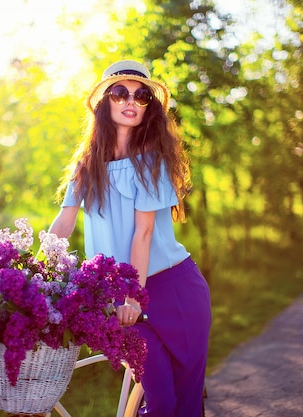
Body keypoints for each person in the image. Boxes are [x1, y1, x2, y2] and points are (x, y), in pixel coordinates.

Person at [49, 60, 211, 417]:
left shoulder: (152, 163)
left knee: (185, 403)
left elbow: (145, 232)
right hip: (117, 300)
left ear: (149, 107)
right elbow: (64, 222)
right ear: (105, 102)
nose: (131, 101)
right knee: (161, 402)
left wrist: (132, 298)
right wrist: (36, 271)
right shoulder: (86, 165)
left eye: (142, 96)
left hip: (174, 289)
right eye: (120, 92)